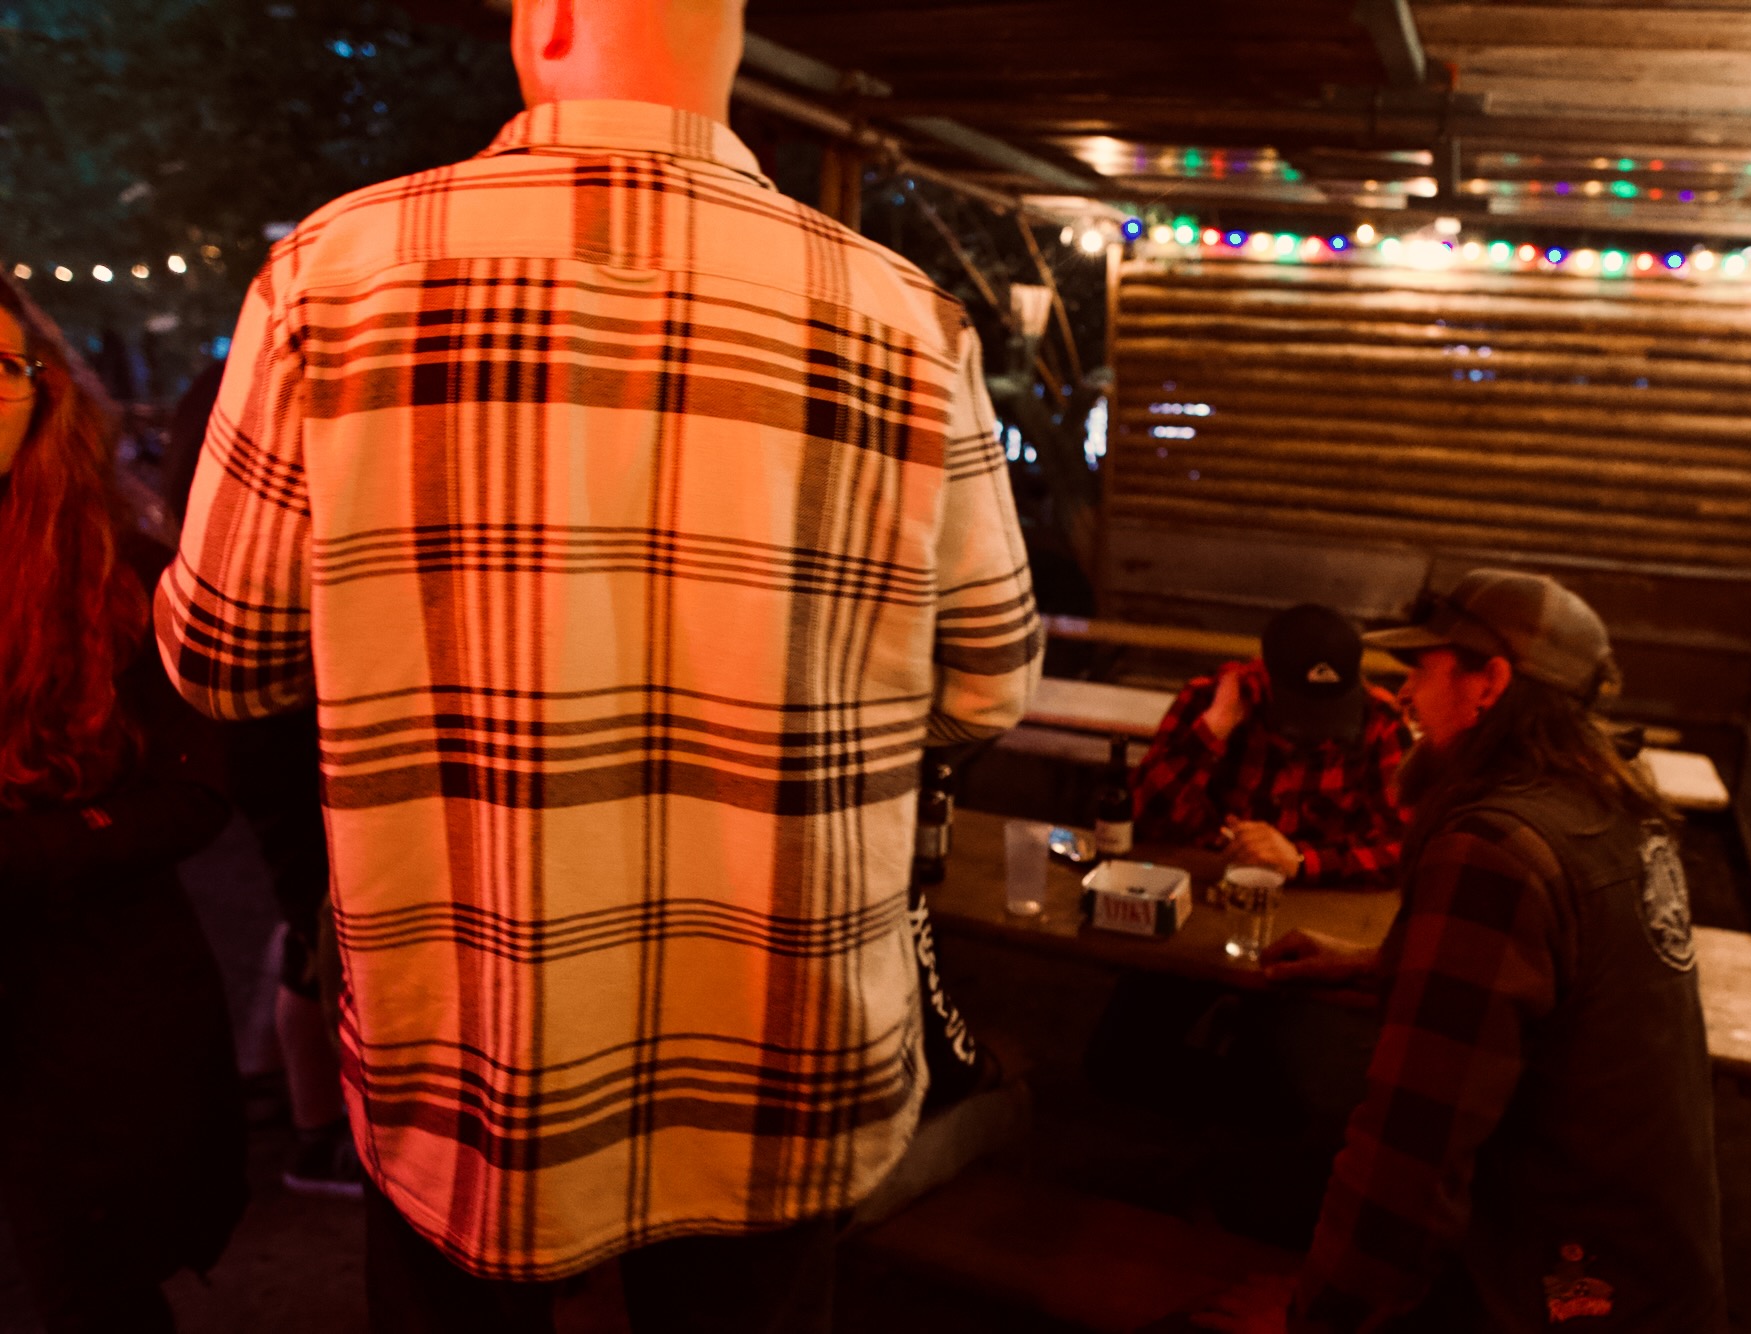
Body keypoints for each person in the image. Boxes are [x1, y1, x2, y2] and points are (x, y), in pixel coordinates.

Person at [154, 0, 1042, 1327]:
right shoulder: (906, 314)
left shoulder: (332, 276)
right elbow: (989, 683)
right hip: (776, 1041)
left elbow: (220, 659)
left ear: (552, 18)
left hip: (473, 1040)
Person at [1203, 569, 1725, 1332]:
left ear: (1491, 685)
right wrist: (1387, 962)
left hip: (1544, 1292)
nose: (1404, 693)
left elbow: (1412, 1155)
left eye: (1422, 668)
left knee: (1245, 1187)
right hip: (1650, 1280)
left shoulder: (1494, 847)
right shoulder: (1615, 808)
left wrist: (1309, 1320)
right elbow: (1562, 993)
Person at [0, 274, 246, 1331]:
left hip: (84, 1021)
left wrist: (36, 851)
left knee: (86, 1292)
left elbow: (195, 791)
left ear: (44, 388)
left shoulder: (117, 572)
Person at [163, 365, 363, 1198]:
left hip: (268, 714)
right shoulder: (266, 388)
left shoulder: (224, 394)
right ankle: (316, 1137)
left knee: (305, 909)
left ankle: (285, 1091)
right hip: (287, 711)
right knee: (318, 916)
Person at [1133, 603, 1408, 887]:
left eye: (1332, 710)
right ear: (1264, 675)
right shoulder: (1207, 699)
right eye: (1302, 710)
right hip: (1213, 884)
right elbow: (1141, 817)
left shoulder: (1380, 720)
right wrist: (1212, 731)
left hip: (1320, 894)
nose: (1316, 732)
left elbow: (1409, 848)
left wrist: (1300, 860)